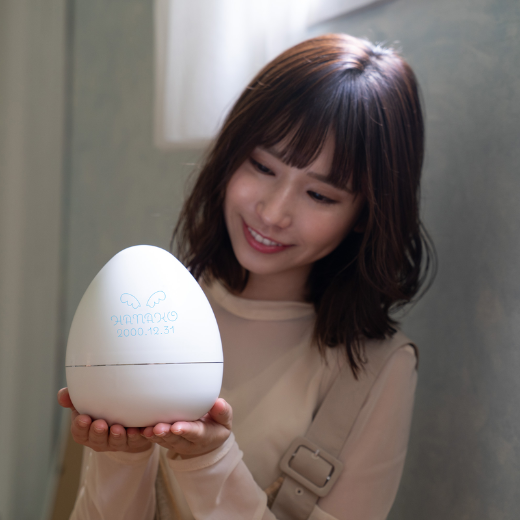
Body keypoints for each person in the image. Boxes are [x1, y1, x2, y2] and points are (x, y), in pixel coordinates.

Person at [58, 33, 435, 520]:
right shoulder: (154, 318)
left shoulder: (377, 369)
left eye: (320, 195)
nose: (273, 213)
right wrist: (122, 459)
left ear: (366, 213)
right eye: (262, 166)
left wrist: (210, 463)